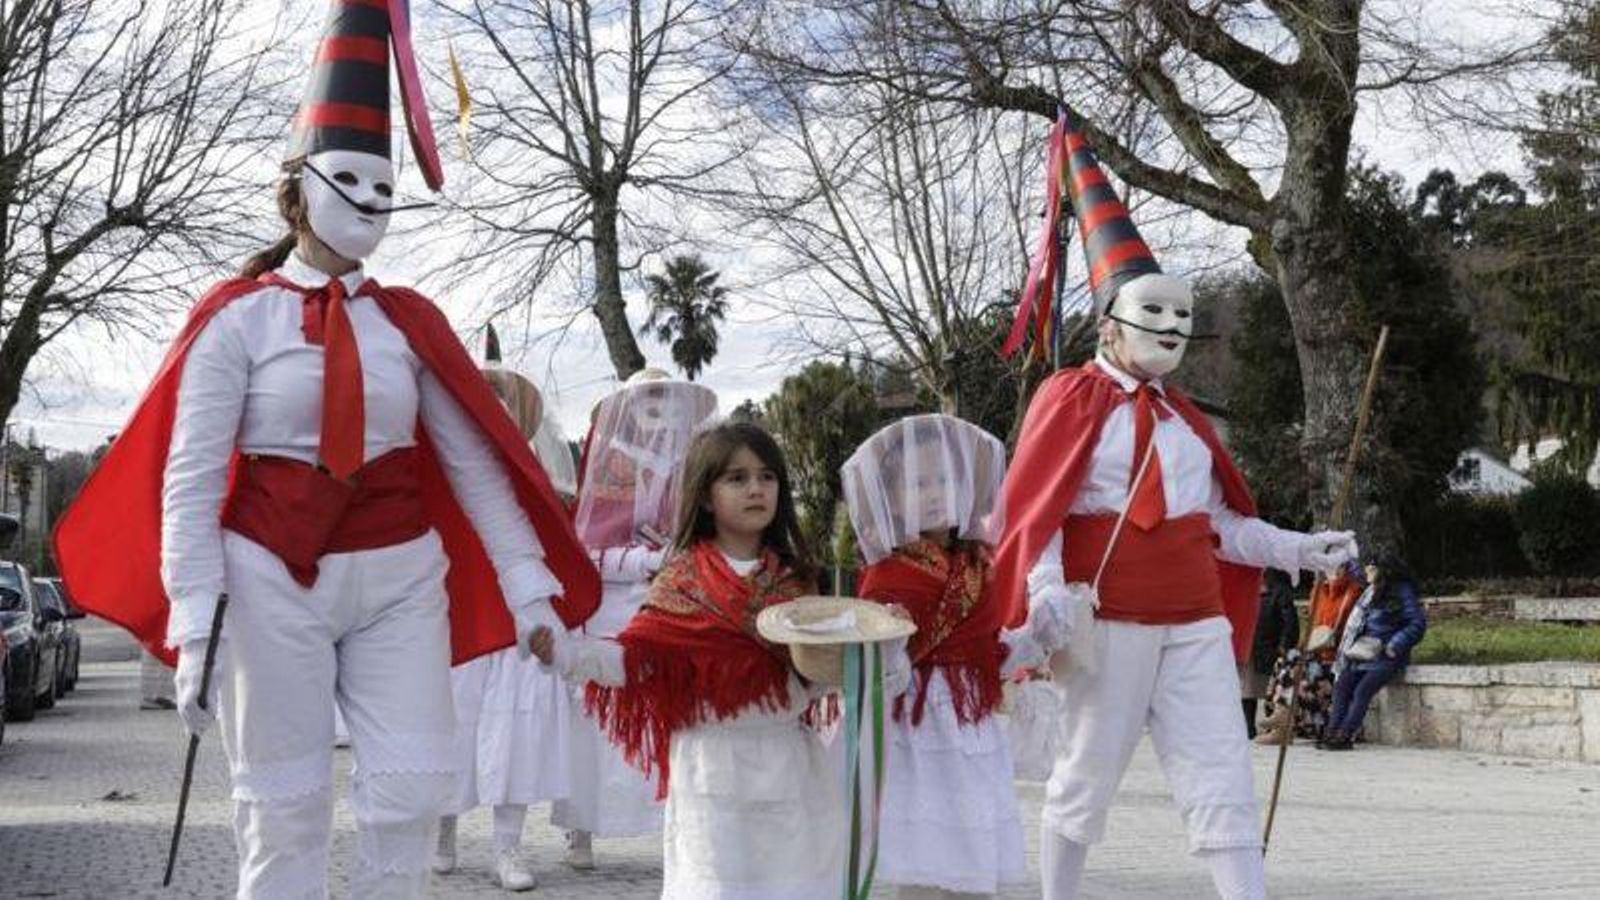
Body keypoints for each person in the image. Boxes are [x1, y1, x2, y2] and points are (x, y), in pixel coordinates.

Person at [51, 5, 599, 895]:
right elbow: (190, 480)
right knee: (282, 804)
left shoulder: (407, 324)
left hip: (398, 575)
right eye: (350, 179)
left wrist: (528, 584)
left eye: (386, 186)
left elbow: (473, 466)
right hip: (268, 573)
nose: (371, 203)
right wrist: (194, 623)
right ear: (298, 188)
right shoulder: (237, 319)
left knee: (411, 791)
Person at [992, 112, 1359, 900]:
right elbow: (1041, 509)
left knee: (1220, 769)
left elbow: (1219, 526)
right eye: (1151, 313)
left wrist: (1300, 548)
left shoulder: (1186, 419)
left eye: (1182, 317)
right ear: (1110, 322)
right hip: (1110, 620)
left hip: (1194, 621)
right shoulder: (1071, 397)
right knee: (1086, 772)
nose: (1169, 329)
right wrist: (1046, 591)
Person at [531, 421, 910, 899]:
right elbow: (633, 660)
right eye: (737, 478)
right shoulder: (680, 580)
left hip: (792, 767)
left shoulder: (797, 580)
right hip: (712, 771)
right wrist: (565, 653)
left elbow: (820, 679)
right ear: (706, 496)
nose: (756, 488)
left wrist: (882, 647)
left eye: (767, 476)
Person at [841, 413, 1028, 899]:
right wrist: (891, 653)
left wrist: (1037, 638)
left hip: (973, 727)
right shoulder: (886, 575)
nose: (934, 491)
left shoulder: (979, 566)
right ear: (892, 498)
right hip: (917, 732)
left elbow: (991, 654)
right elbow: (877, 675)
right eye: (918, 482)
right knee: (923, 862)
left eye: (945, 478)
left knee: (974, 853)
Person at [551, 370, 717, 868]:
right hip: (612, 611)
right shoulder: (610, 468)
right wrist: (647, 562)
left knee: (672, 719)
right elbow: (588, 553)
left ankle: (677, 824)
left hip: (673, 609)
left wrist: (681, 562)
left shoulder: (691, 470)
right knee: (594, 724)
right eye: (648, 403)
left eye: (666, 404)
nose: (658, 415)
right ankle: (581, 828)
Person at [434, 340, 577, 891]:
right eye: (485, 394)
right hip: (462, 618)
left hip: (520, 623)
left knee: (516, 736)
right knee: (452, 730)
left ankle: (507, 848)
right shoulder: (445, 460)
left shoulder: (539, 473)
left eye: (503, 396)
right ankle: (443, 830)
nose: (495, 403)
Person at [1322, 554, 1427, 750]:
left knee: (1363, 690)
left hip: (1386, 653)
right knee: (1342, 686)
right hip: (1361, 652)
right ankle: (1332, 731)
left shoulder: (1402, 591)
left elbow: (1417, 623)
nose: (1366, 571)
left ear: (1383, 570)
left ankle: (1345, 734)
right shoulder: (1370, 592)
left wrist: (1395, 644)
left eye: (1371, 568)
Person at [1241, 570, 1297, 739]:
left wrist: (1285, 645)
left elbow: (1290, 621)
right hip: (1251, 644)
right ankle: (1248, 727)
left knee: (1271, 689)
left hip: (1270, 646)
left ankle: (1272, 729)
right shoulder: (1252, 587)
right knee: (1247, 689)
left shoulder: (1280, 591)